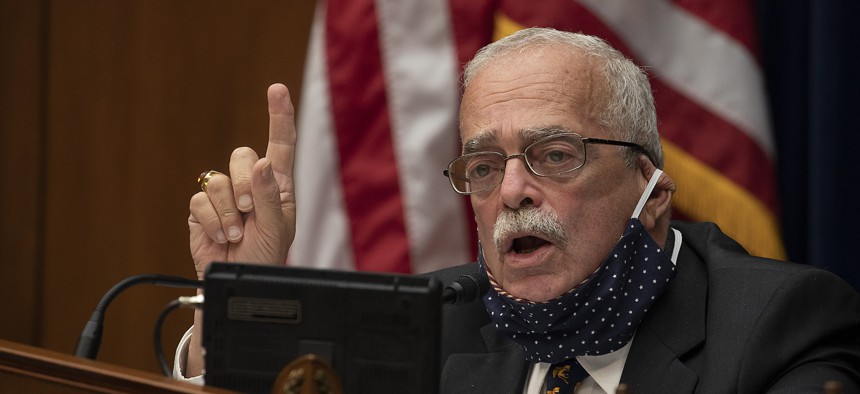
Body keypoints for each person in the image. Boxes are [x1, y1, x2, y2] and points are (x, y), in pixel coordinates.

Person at [179, 28, 860, 393]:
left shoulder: (777, 328)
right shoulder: (428, 326)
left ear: (649, 190)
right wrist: (237, 300)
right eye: (482, 167)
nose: (510, 192)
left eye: (554, 155)